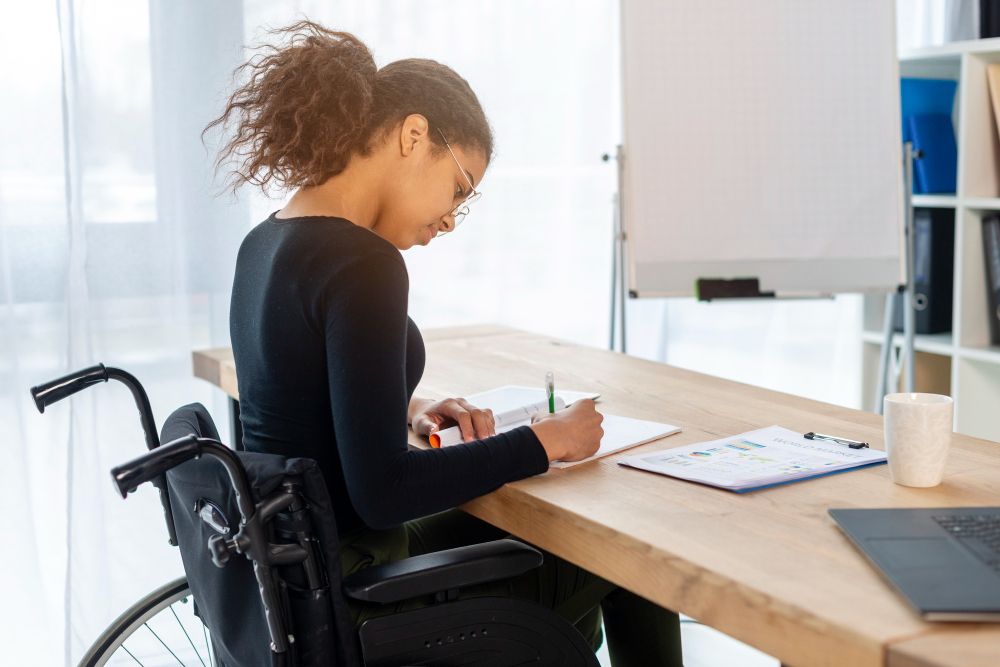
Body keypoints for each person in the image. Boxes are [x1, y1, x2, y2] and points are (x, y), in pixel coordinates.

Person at [209, 19, 683, 666]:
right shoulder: (364, 263)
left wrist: (404, 407)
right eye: (458, 187)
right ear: (412, 136)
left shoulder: (264, 243)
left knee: (560, 598)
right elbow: (384, 489)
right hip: (364, 595)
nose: (451, 219)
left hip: (298, 585)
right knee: (632, 549)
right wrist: (548, 441)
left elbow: (298, 395)